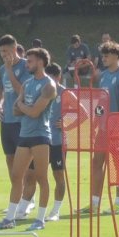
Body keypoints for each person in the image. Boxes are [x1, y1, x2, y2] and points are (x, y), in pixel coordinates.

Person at [0, 48, 56, 231]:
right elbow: (14, 109)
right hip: (25, 135)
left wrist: (24, 106)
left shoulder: (49, 85)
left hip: (41, 136)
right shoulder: (27, 83)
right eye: (27, 61)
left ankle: (40, 219)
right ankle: (9, 218)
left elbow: (35, 112)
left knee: (42, 178)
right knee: (16, 176)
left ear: (41, 62)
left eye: (30, 62)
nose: (27, 64)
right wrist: (25, 106)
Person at [87, 41, 119, 214]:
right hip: (104, 129)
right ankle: (95, 203)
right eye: (102, 55)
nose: (103, 58)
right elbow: (102, 101)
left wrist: (117, 127)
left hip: (118, 129)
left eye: (106, 55)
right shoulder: (103, 75)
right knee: (96, 163)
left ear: (116, 56)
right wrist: (95, 123)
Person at [0, 35, 36, 214]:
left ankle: (28, 198)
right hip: (7, 121)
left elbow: (23, 91)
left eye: (6, 51)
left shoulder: (26, 66)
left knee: (25, 162)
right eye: (1, 52)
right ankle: (17, 196)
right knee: (10, 159)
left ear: (15, 48)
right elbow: (1, 89)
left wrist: (10, 70)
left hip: (22, 122)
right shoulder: (1, 69)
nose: (3, 55)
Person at [44, 63, 69, 222]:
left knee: (58, 175)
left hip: (58, 142)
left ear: (58, 77)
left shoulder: (64, 93)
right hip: (42, 139)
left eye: (53, 77)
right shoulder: (42, 90)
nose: (50, 80)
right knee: (34, 174)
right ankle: (29, 205)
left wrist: (66, 124)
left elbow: (83, 113)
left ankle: (56, 211)